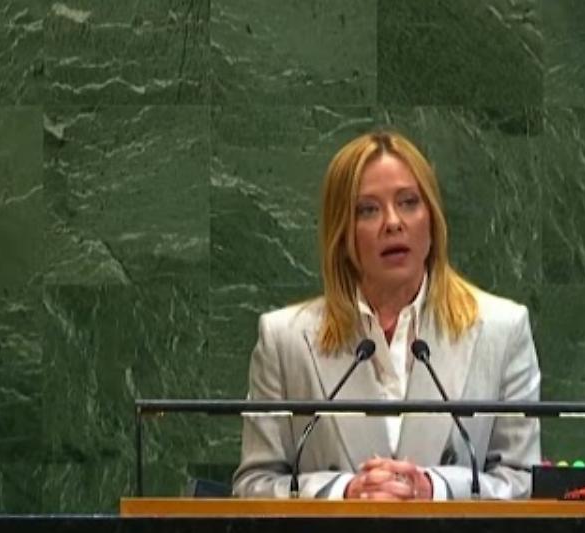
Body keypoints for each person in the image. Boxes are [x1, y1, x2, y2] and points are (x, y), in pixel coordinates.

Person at [232, 131, 541, 500]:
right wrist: (345, 491)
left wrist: (434, 489)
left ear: (432, 219)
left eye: (409, 202)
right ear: (341, 232)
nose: (393, 223)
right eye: (368, 209)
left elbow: (521, 481)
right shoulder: (285, 339)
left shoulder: (502, 329)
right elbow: (254, 485)